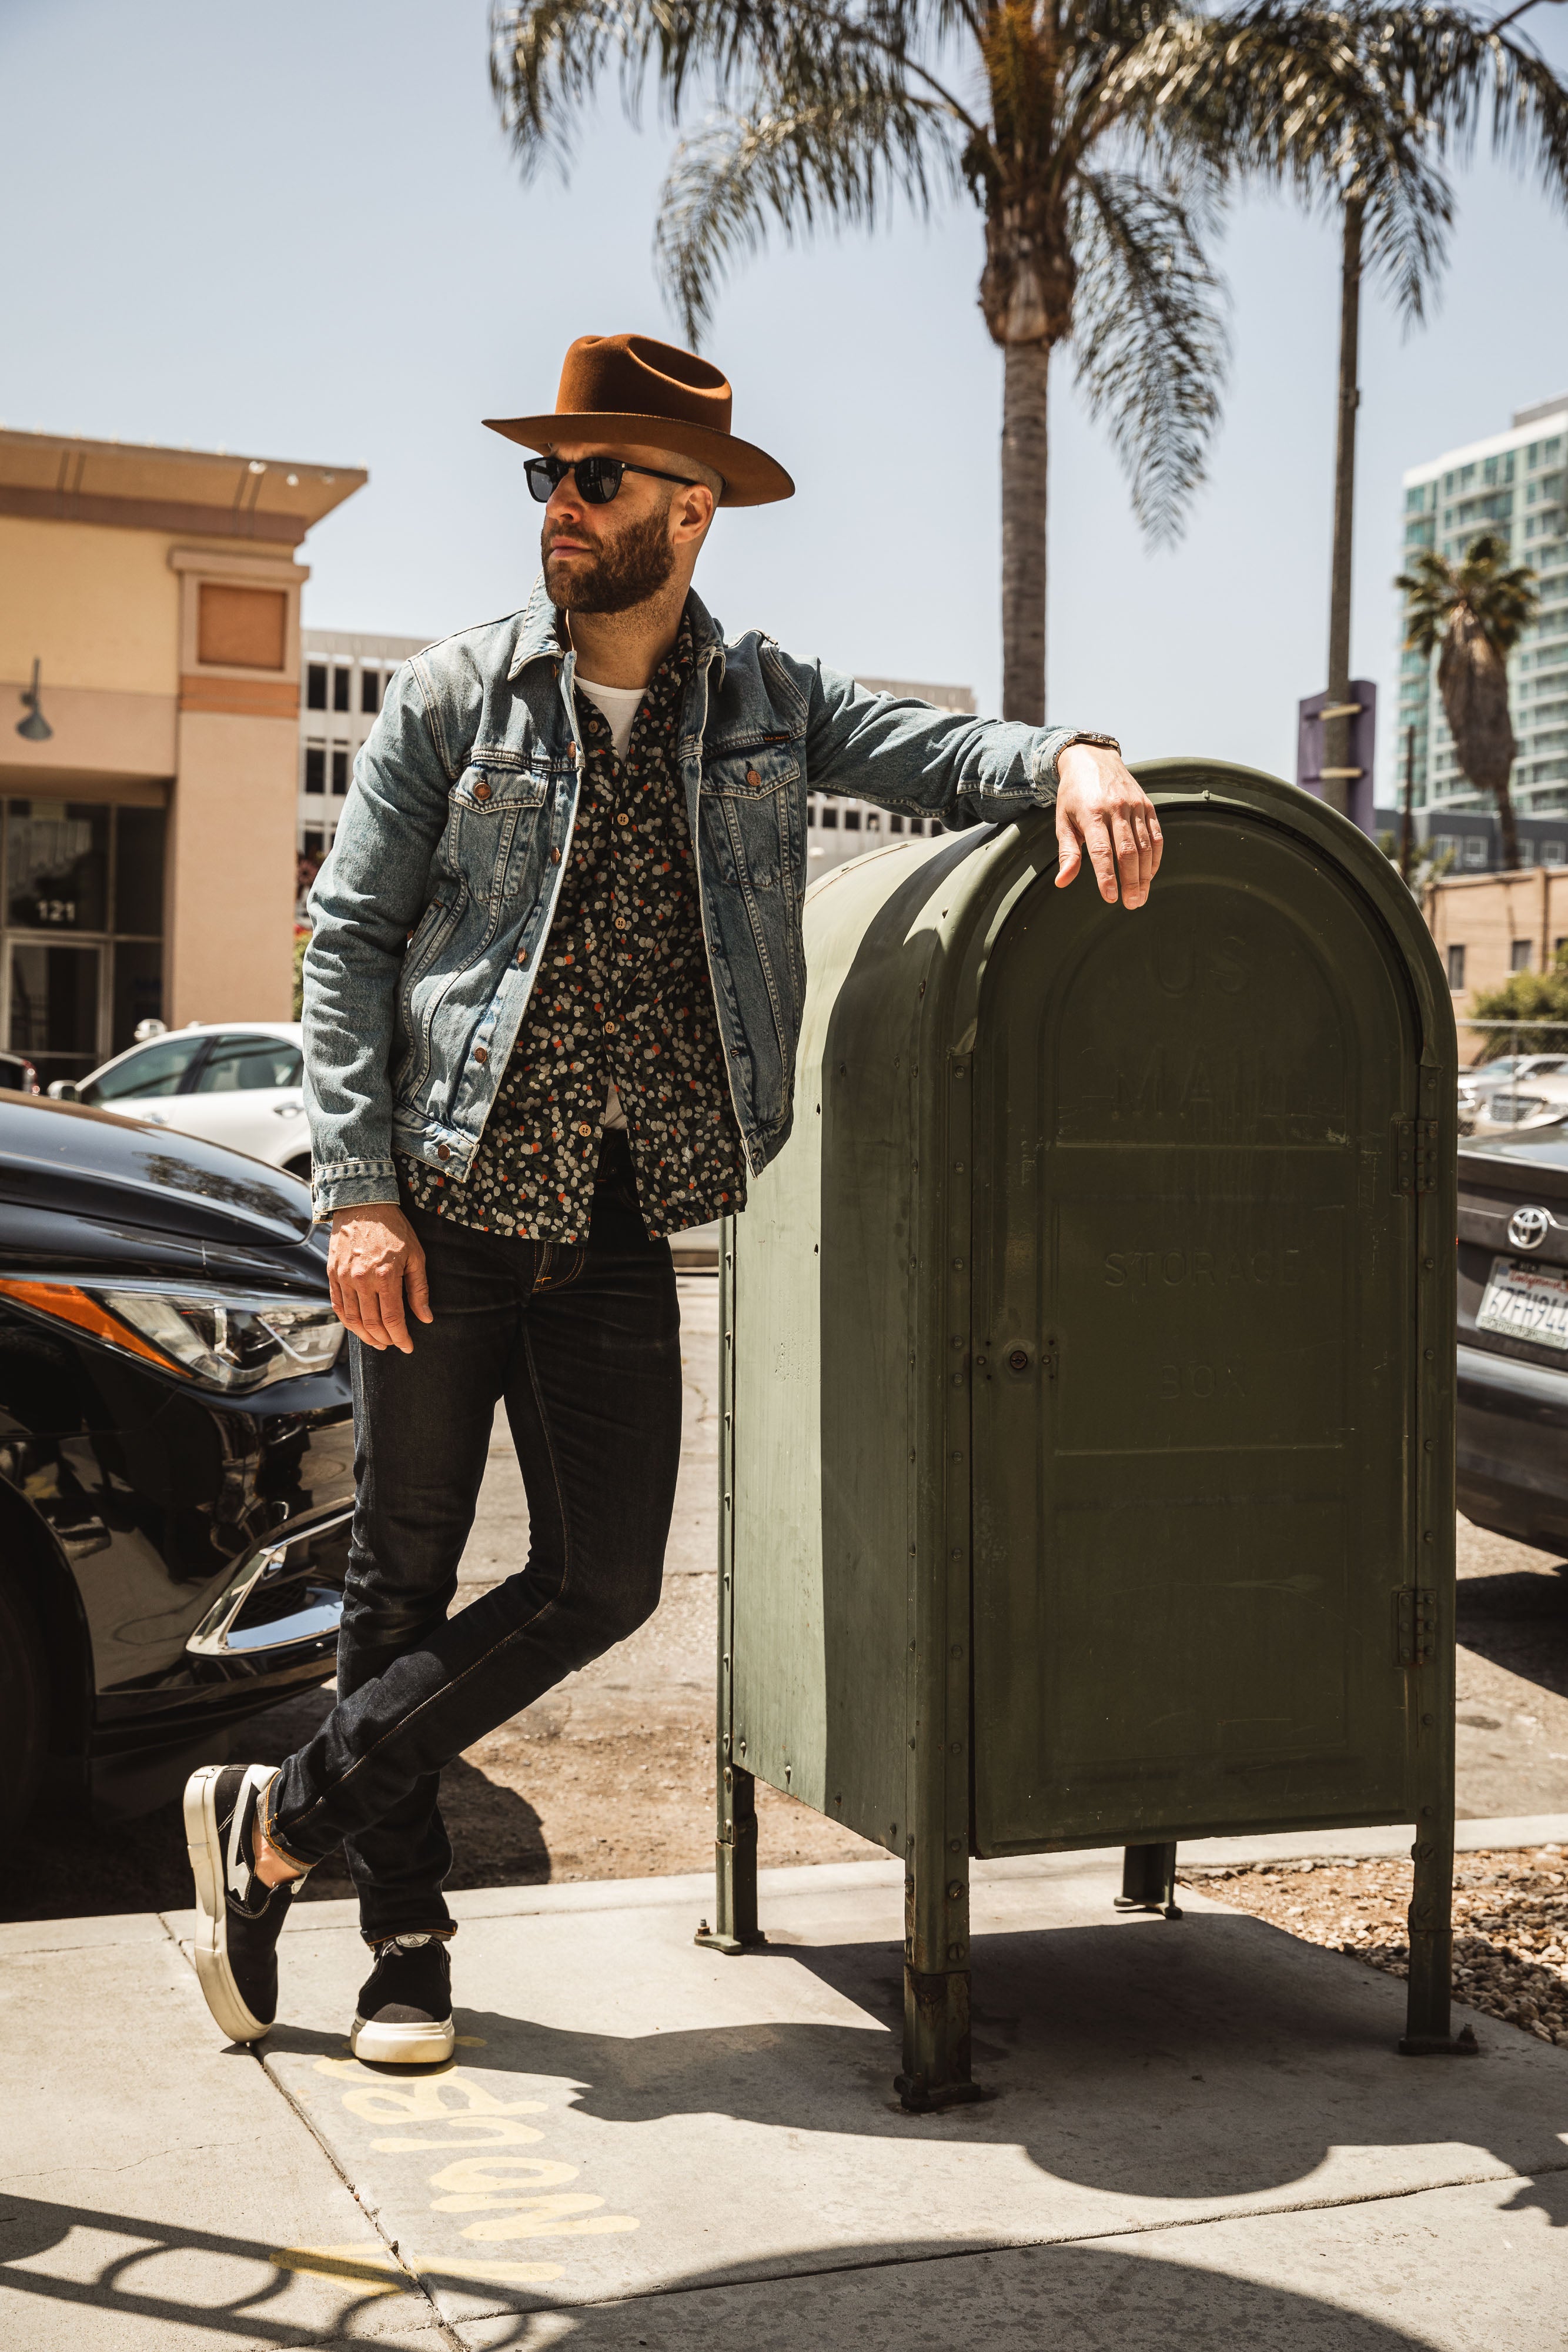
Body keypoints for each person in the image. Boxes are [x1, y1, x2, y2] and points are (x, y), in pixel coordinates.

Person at [182, 332, 1164, 2062]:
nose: (556, 507)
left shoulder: (769, 704)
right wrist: (358, 1192)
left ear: (689, 511)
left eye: (596, 478)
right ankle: (403, 1947)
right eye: (544, 476)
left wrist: (1076, 752)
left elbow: (944, 758)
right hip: (448, 1208)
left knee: (603, 1586)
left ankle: (274, 1821)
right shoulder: (451, 696)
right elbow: (344, 945)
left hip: (623, 1221)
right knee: (400, 1584)